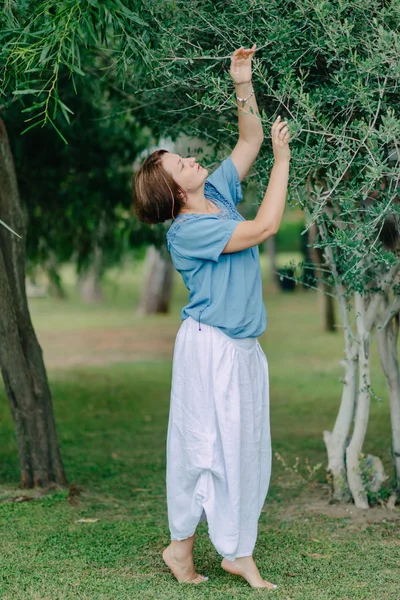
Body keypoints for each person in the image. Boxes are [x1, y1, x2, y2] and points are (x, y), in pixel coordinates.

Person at [133, 44, 290, 590]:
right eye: (182, 165)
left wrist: (241, 81)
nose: (192, 160)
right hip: (211, 347)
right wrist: (285, 162)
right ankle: (193, 548)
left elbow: (249, 140)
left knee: (244, 448)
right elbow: (267, 227)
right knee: (203, 446)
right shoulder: (189, 231)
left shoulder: (218, 194)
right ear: (175, 191)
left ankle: (225, 550)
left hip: (242, 345)